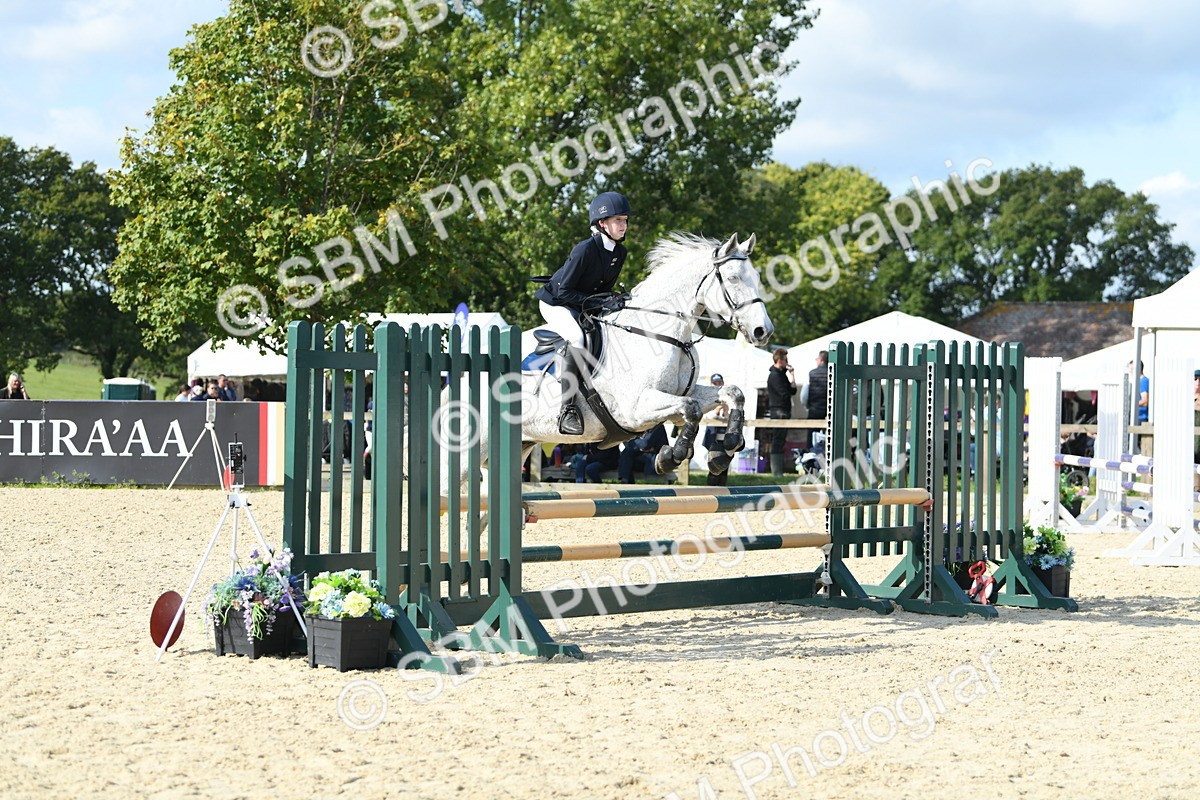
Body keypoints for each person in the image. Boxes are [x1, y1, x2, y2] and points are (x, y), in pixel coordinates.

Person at [534, 191, 634, 435]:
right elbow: (565, 290)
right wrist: (599, 302)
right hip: (556, 302)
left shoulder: (620, 253)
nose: (624, 225)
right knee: (577, 338)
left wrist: (613, 300)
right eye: (618, 220)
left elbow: (602, 288)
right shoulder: (584, 250)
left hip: (581, 304)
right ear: (602, 223)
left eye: (625, 220)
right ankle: (567, 409)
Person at [766, 349, 796, 475]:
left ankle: (778, 470)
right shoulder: (774, 375)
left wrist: (792, 375)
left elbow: (793, 391)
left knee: (781, 439)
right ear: (779, 360)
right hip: (778, 410)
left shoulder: (782, 374)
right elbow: (784, 393)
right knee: (778, 440)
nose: (788, 362)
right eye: (786, 360)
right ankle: (776, 471)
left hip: (783, 410)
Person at [702, 374, 730, 486]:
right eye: (715, 383)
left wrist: (726, 411)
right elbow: (707, 417)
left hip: (725, 436)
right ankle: (712, 488)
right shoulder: (707, 398)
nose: (717, 385)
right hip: (713, 436)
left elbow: (731, 417)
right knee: (714, 463)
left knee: (725, 464)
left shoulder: (728, 397)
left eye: (719, 383)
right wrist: (717, 410)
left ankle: (723, 487)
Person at [805, 350, 829, 454]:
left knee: (812, 435)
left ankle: (811, 456)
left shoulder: (812, 373)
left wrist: (807, 406)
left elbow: (804, 395)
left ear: (820, 360)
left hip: (814, 409)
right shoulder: (832, 373)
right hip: (829, 410)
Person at [1132, 360, 1151, 457]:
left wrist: (1131, 405)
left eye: (1132, 369)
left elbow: (1145, 400)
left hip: (1141, 418)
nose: (1130, 372)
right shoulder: (1141, 381)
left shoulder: (1143, 381)